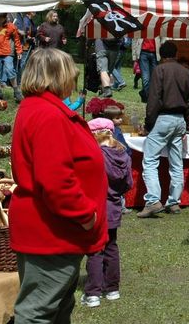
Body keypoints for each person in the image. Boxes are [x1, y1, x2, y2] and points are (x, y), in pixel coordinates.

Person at [9, 48, 107, 322]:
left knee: (56, 309)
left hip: (53, 230)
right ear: (57, 77)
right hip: (52, 232)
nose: (73, 81)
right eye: (71, 75)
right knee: (37, 313)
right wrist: (85, 215)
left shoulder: (40, 109)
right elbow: (56, 180)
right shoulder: (48, 115)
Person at [137, 40, 189, 218]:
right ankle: (174, 201)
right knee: (176, 162)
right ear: (176, 54)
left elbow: (154, 98)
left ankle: (153, 200)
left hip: (164, 118)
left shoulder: (159, 70)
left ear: (161, 55)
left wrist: (149, 124)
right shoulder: (186, 73)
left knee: (150, 160)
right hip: (180, 120)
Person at [81, 118, 132, 308]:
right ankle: (112, 289)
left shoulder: (95, 156)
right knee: (111, 247)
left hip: (96, 207)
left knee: (95, 249)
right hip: (114, 207)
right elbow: (128, 183)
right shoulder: (123, 155)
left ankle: (93, 293)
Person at [13, 12, 37, 84]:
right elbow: (25, 33)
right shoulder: (26, 20)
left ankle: (21, 80)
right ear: (29, 11)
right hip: (25, 46)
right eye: (33, 10)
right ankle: (19, 81)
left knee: (25, 64)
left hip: (29, 45)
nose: (35, 12)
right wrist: (30, 38)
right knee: (22, 64)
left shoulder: (30, 20)